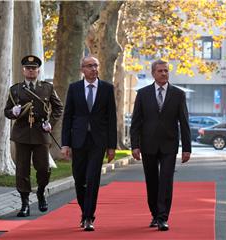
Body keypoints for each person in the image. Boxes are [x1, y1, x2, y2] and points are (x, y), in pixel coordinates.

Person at [130, 59, 191, 231]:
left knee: (166, 181)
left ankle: (163, 217)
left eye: (166, 70)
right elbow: (136, 122)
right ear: (153, 73)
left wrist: (187, 148)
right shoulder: (142, 94)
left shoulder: (178, 94)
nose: (164, 73)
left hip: (169, 146)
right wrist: (135, 145)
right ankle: (155, 214)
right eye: (160, 71)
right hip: (147, 144)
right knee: (152, 182)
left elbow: (184, 122)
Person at [61, 56, 117, 231]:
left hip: (98, 142)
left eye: (96, 65)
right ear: (82, 69)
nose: (93, 69)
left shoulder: (107, 89)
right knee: (79, 180)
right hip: (78, 141)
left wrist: (111, 146)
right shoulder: (74, 88)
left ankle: (88, 217)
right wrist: (65, 143)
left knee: (93, 179)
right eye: (89, 66)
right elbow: (68, 117)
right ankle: (84, 210)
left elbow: (111, 119)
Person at [4, 55, 63, 217]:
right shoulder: (15, 89)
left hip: (41, 133)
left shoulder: (47, 88)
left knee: (44, 168)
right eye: (28, 68)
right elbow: (6, 111)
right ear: (23, 70)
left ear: (38, 70)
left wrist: (51, 123)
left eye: (34, 68)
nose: (31, 71)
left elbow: (58, 108)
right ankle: (24, 204)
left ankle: (41, 192)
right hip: (22, 134)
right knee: (22, 170)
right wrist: (13, 112)